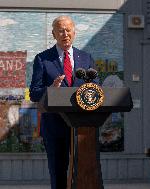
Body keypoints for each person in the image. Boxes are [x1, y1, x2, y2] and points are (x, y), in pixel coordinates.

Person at [29, 15, 95, 189]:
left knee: (84, 174)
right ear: (53, 34)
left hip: (82, 128)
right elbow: (34, 93)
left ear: (74, 32)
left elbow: (95, 87)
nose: (65, 33)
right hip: (54, 127)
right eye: (60, 30)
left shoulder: (86, 58)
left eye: (68, 30)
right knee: (58, 175)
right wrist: (51, 88)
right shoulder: (42, 59)